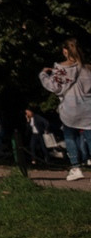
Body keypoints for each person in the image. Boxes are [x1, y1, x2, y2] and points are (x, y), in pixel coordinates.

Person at [39, 38, 90, 182]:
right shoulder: (88, 68)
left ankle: (75, 167)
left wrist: (43, 74)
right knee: (90, 137)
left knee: (70, 137)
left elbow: (54, 87)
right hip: (88, 108)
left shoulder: (61, 68)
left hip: (70, 109)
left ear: (65, 51)